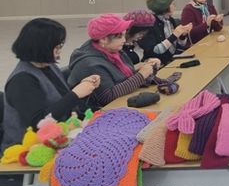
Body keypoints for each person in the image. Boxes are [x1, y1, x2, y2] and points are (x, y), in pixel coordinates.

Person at [2, 19, 100, 151]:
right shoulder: (21, 80)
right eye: (57, 46)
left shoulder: (48, 66)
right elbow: (39, 123)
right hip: (30, 149)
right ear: (42, 47)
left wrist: (83, 86)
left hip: (58, 135)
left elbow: (59, 97)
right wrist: (75, 94)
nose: (60, 50)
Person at [68, 14, 159, 110]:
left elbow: (126, 78)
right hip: (100, 112)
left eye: (124, 35)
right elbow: (107, 96)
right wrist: (141, 75)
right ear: (103, 39)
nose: (124, 40)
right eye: (120, 37)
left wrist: (149, 68)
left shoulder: (114, 51)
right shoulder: (90, 64)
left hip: (120, 104)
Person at [138, 0, 192, 65]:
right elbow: (154, 51)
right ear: (165, 7)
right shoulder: (150, 24)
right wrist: (174, 35)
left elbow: (179, 45)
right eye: (172, 4)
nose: (174, 6)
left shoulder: (170, 20)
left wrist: (182, 35)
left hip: (172, 61)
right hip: (158, 65)